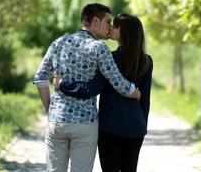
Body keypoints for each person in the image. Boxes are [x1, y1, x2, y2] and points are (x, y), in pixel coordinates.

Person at [33, 4, 141, 172]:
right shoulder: (99, 49)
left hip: (57, 121)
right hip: (85, 124)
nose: (110, 27)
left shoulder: (58, 43)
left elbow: (40, 78)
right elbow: (117, 81)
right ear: (96, 21)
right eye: (108, 22)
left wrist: (50, 109)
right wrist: (134, 91)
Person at [54, 13, 153, 172]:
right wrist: (142, 126)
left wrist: (63, 84)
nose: (111, 27)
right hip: (136, 127)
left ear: (124, 32)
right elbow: (145, 99)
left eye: (115, 26)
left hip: (110, 127)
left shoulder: (109, 58)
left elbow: (92, 89)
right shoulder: (147, 60)